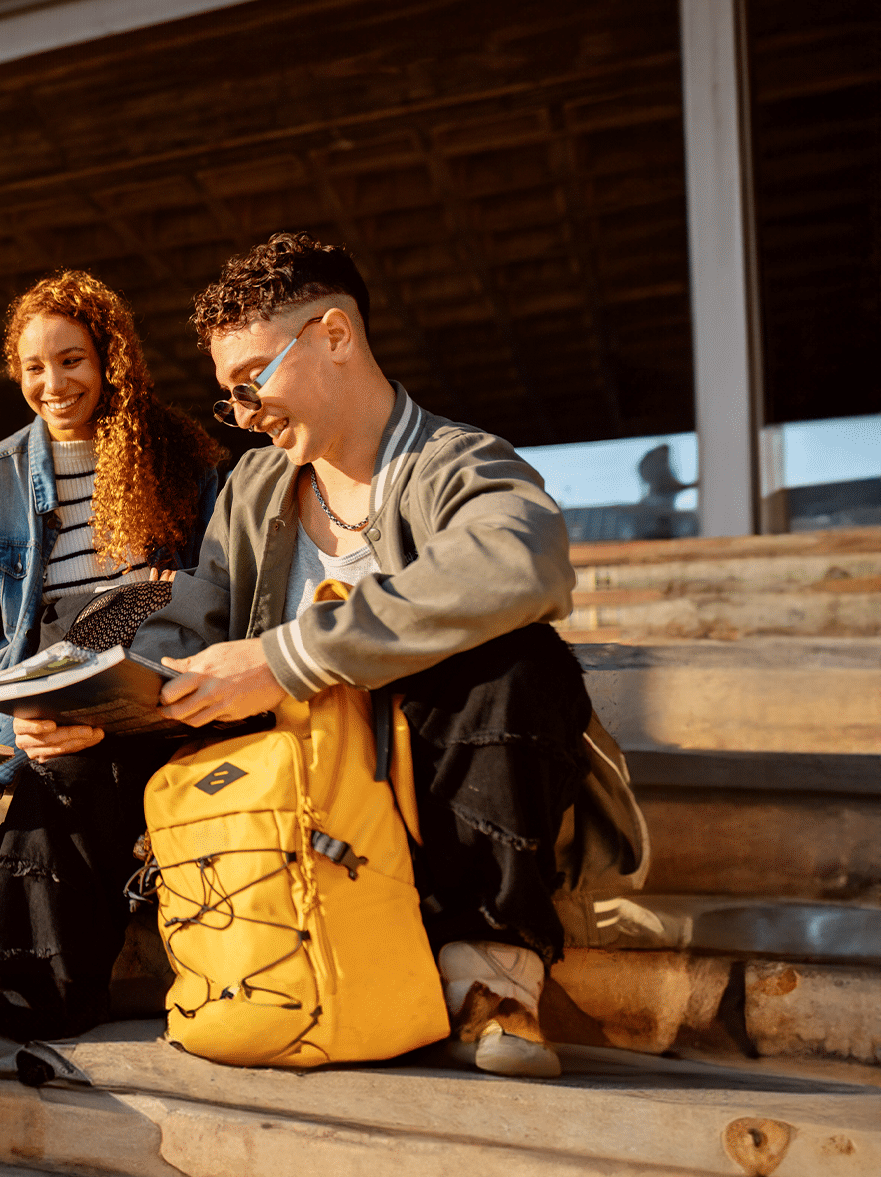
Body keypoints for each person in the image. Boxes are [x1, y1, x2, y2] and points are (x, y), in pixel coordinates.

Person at [110, 231, 645, 1078]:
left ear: (334, 335)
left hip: (411, 764)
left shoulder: (453, 459)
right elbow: (198, 617)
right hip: (281, 778)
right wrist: (100, 695)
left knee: (518, 663)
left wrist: (289, 658)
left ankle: (491, 983)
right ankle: (36, 986)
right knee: (67, 746)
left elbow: (524, 559)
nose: (245, 414)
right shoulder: (252, 485)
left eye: (253, 381)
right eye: (230, 396)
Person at [0, 269, 226, 1039]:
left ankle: (31, 986)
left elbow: (224, 604)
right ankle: (37, 987)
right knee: (65, 767)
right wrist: (4, 738)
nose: (53, 383)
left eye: (73, 360)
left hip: (162, 699)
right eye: (33, 367)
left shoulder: (188, 463)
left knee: (101, 763)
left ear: (110, 358)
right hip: (45, 712)